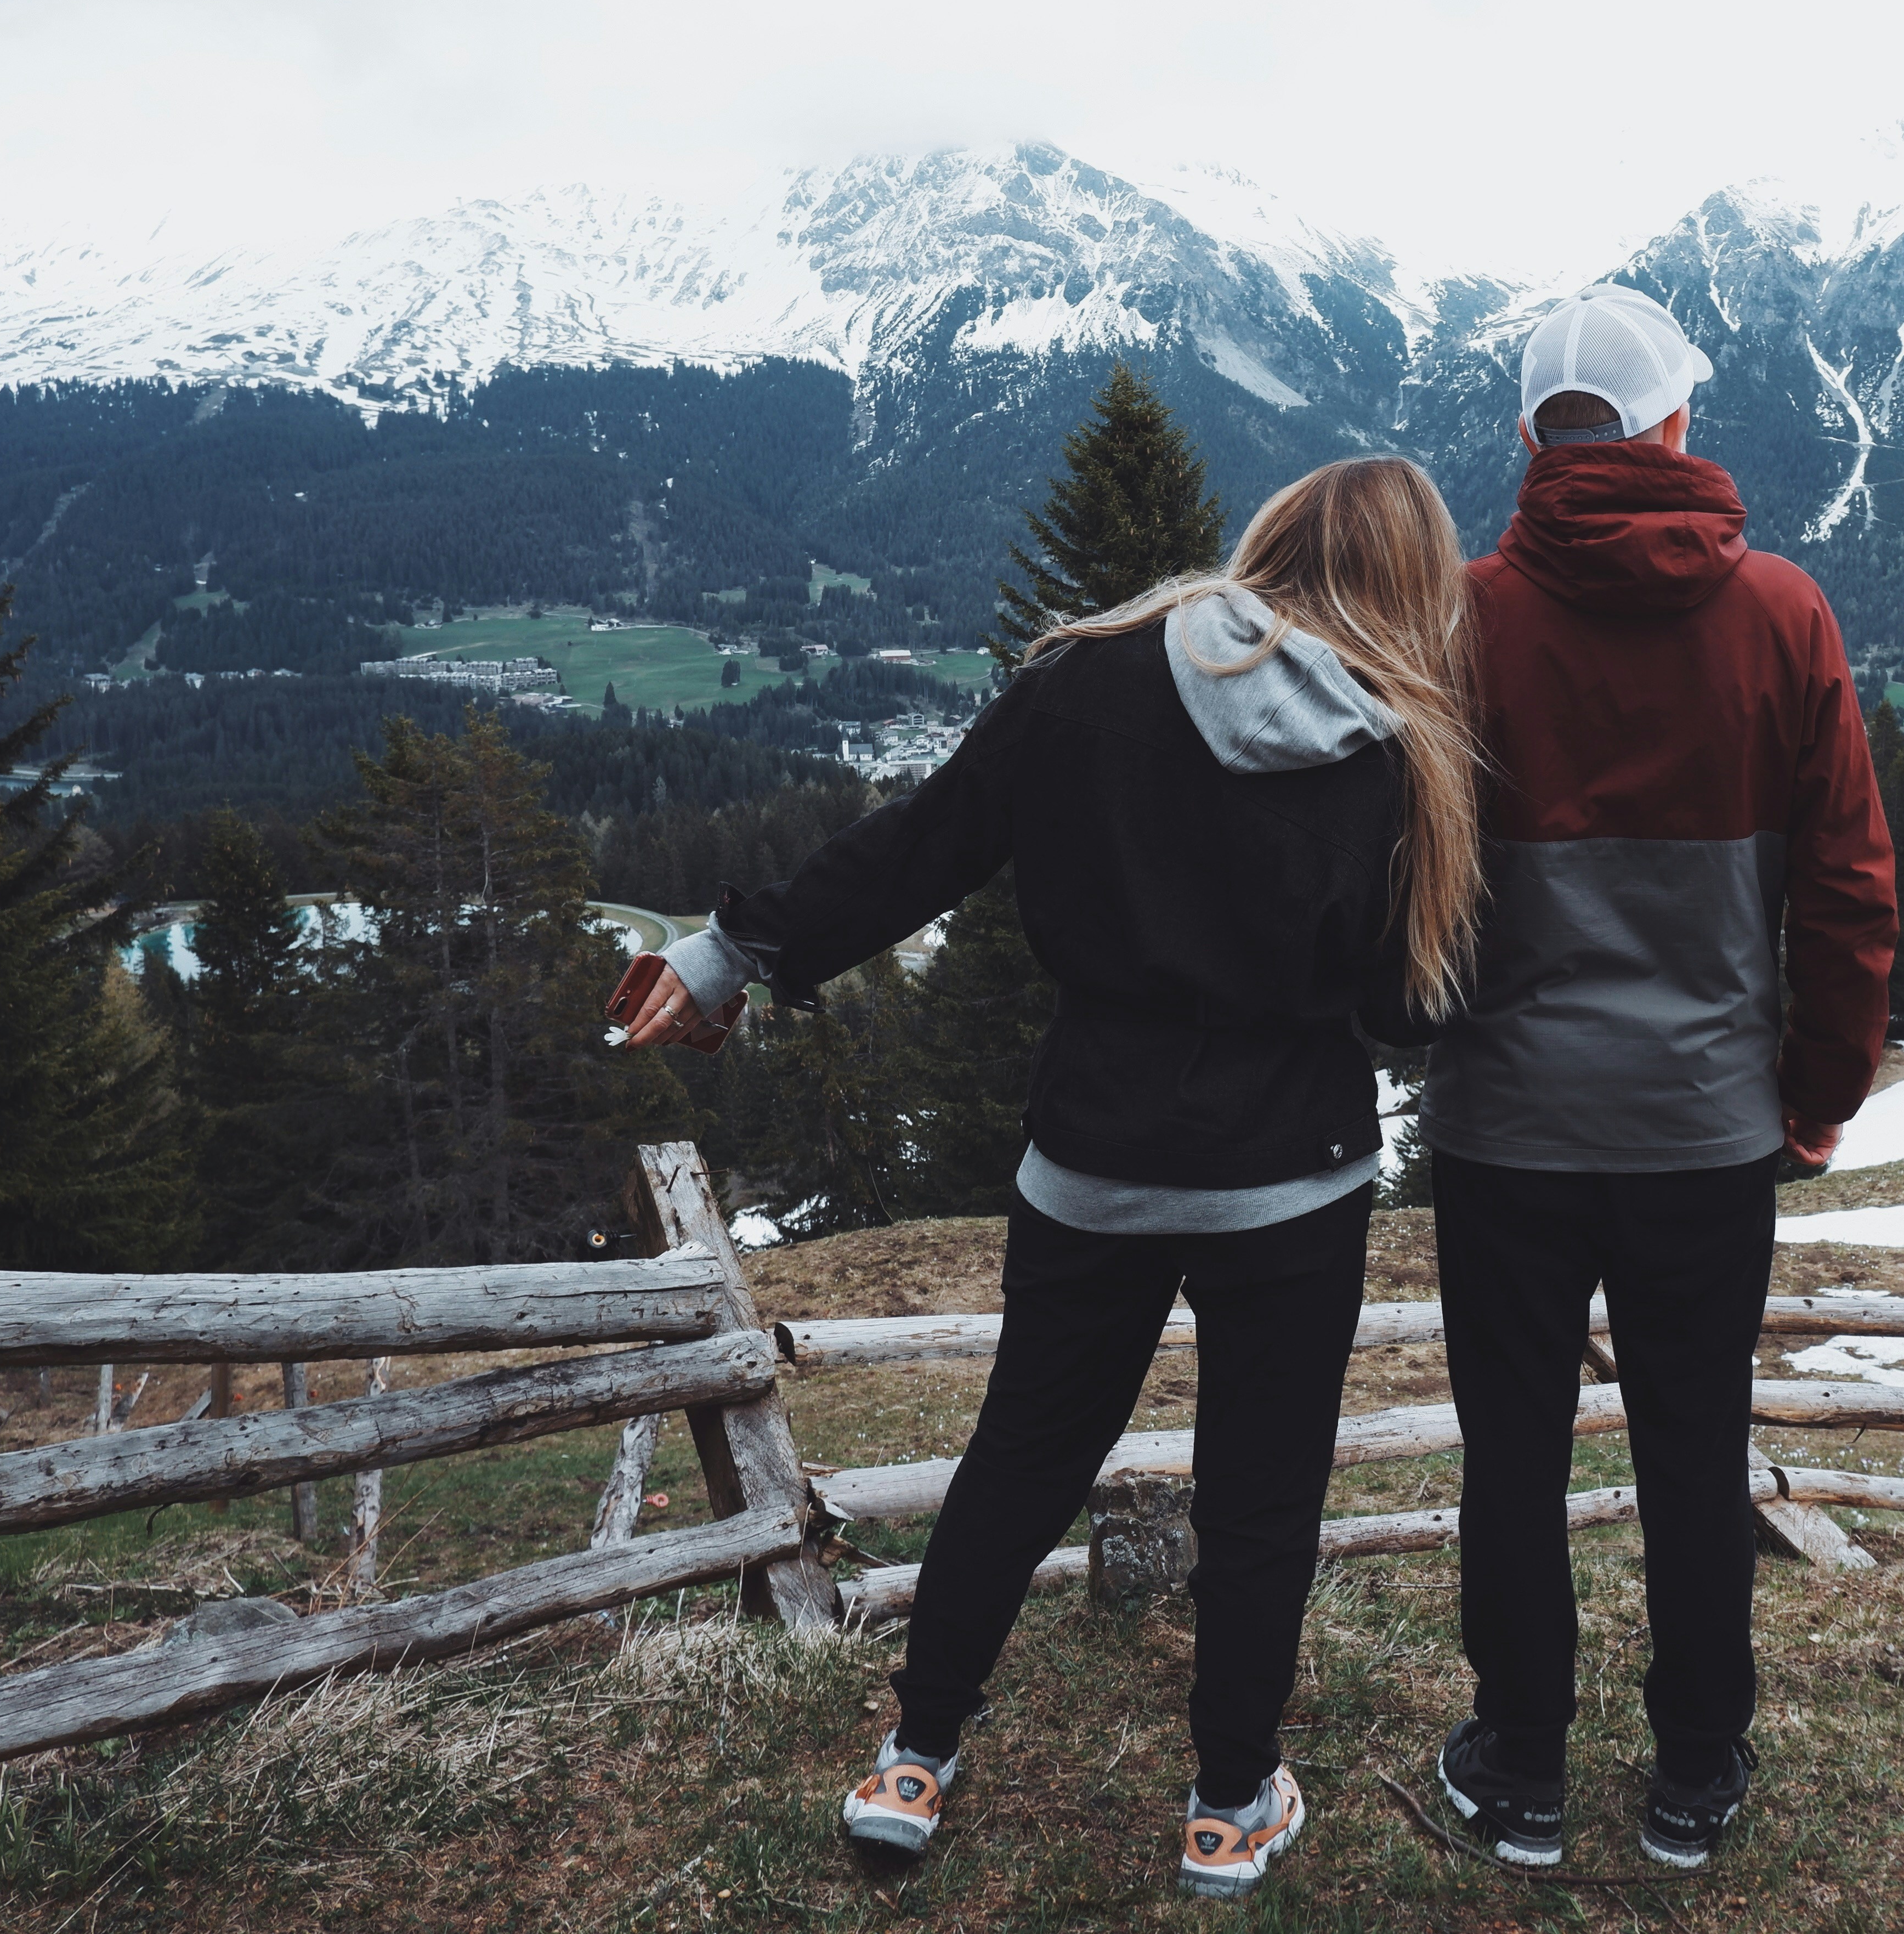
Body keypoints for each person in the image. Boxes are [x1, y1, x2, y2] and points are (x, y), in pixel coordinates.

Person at [607, 455, 1485, 1903]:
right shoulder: (1397, 751)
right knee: (1261, 1494)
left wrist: (725, 954)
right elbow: (1405, 1012)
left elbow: (918, 851)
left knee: (1022, 1456)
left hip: (1093, 1158)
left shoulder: (1087, 680)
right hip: (1289, 1182)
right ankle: (1226, 1805)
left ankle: (917, 1756)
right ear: (1409, 588)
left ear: (1267, 544)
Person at [1416, 284, 1895, 1870]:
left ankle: (1523, 1766)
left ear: (1538, 439)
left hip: (1508, 1134)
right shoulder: (1783, 616)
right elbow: (1846, 887)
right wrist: (1820, 1087)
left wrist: (1415, 1040)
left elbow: (1405, 882)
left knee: (1515, 1457)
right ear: (1676, 422)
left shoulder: (1463, 619)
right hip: (1703, 1132)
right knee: (1695, 1442)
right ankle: (1697, 1771)